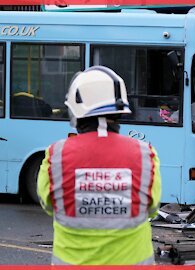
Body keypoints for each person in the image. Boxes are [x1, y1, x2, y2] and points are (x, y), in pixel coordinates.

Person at [37, 66, 161, 265]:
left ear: (76, 111)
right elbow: (153, 207)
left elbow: (49, 205)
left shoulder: (56, 155)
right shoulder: (145, 154)